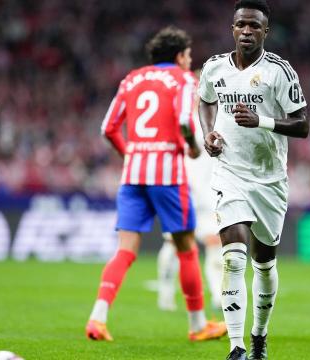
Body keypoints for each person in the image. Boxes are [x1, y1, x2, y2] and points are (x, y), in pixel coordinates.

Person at [85, 26, 226, 342]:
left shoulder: (131, 78)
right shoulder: (183, 79)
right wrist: (191, 145)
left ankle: (98, 318)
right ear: (179, 56)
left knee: (125, 251)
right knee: (186, 249)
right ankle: (197, 324)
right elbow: (185, 122)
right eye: (188, 56)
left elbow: (108, 128)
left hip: (133, 175)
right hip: (168, 175)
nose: (189, 62)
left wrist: (130, 155)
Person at [198, 1, 309, 358]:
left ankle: (259, 334)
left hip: (269, 180)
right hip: (229, 172)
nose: (247, 31)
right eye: (241, 25)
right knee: (233, 258)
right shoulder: (214, 67)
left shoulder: (280, 71)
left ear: (265, 32)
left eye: (254, 26)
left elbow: (303, 124)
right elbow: (205, 101)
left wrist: (261, 120)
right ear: (232, 28)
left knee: (264, 264)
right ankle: (236, 346)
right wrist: (208, 132)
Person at [156, 103, 223, 312]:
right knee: (174, 243)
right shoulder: (184, 121)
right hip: (184, 189)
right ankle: (166, 294)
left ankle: (218, 296)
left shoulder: (218, 120)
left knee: (214, 243)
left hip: (208, 192)